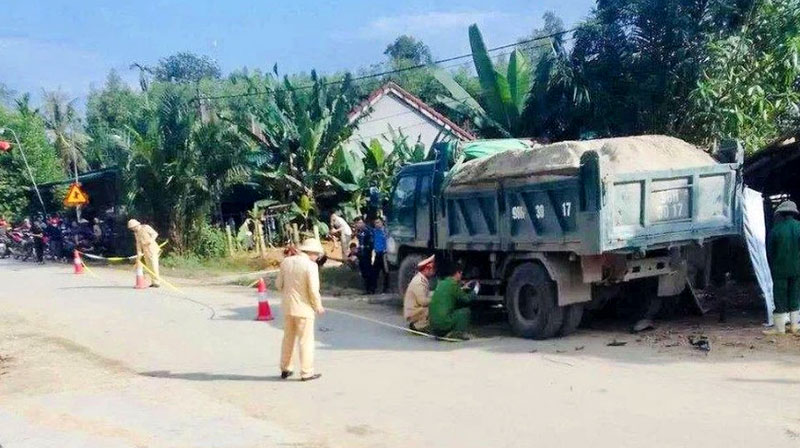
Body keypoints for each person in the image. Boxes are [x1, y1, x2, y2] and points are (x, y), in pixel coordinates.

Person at [275, 238, 325, 382]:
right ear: (312, 253)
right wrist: (318, 306)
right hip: (304, 309)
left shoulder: (286, 262)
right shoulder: (310, 266)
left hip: (287, 307)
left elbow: (278, 284)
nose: (317, 258)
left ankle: (285, 368)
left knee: (288, 339)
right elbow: (313, 290)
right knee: (306, 341)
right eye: (317, 255)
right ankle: (306, 372)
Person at [764, 200, 800, 335]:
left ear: (781, 214)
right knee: (795, 296)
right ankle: (795, 326)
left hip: (779, 270)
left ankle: (780, 329)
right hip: (797, 269)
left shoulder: (776, 230)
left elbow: (769, 252)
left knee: (780, 297)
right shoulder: (799, 227)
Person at [429, 260, 475, 340]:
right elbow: (467, 299)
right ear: (457, 273)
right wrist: (475, 291)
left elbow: (452, 292)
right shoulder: (453, 285)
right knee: (465, 311)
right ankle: (457, 334)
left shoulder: (442, 283)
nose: (461, 276)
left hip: (433, 325)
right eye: (461, 273)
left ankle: (441, 332)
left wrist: (462, 287)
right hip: (443, 323)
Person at [403, 255, 436, 331]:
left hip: (415, 310)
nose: (433, 272)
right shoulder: (419, 282)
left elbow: (427, 294)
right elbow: (423, 301)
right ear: (426, 269)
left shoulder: (421, 279)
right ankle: (418, 325)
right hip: (413, 312)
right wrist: (436, 300)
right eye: (432, 270)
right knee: (433, 308)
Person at [127, 219, 161, 288]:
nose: (133, 229)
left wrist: (150, 241)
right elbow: (138, 244)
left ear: (136, 225)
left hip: (153, 249)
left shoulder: (146, 227)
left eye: (133, 227)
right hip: (145, 251)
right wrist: (138, 254)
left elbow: (155, 234)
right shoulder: (136, 233)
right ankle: (153, 282)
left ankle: (157, 282)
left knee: (154, 266)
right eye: (131, 228)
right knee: (149, 266)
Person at [354, 217, 375, 294]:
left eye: (360, 222)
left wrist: (366, 248)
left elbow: (371, 244)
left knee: (368, 271)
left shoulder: (368, 231)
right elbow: (360, 243)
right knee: (363, 272)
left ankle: (371, 289)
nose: (359, 225)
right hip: (361, 254)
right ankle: (366, 289)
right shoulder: (359, 232)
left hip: (367, 254)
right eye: (357, 223)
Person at [372, 217, 390, 293]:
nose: (377, 224)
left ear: (382, 222)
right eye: (375, 223)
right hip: (377, 253)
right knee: (375, 272)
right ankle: (373, 289)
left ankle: (386, 289)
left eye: (378, 222)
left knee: (385, 272)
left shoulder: (385, 232)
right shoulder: (374, 231)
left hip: (384, 254)